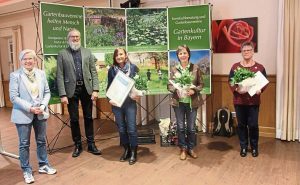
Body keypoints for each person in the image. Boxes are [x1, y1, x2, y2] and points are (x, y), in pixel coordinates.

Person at [9, 49, 57, 184]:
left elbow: (47, 92)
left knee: (41, 141)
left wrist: (42, 106)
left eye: (31, 58)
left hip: (40, 113)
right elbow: (13, 97)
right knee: (24, 144)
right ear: (21, 61)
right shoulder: (15, 75)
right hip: (23, 113)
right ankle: (26, 170)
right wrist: (30, 108)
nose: (28, 61)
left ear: (35, 60)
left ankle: (43, 165)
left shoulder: (41, 74)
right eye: (25, 59)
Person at [56, 28, 101, 157]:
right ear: (68, 38)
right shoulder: (62, 54)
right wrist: (63, 94)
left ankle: (91, 144)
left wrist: (95, 89)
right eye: (72, 37)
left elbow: (93, 72)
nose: (75, 39)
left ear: (80, 38)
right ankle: (78, 145)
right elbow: (60, 75)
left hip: (86, 89)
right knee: (74, 119)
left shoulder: (87, 52)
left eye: (77, 37)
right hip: (71, 91)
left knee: (88, 117)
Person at [228, 41, 267, 158]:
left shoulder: (259, 67)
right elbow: (230, 81)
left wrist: (260, 89)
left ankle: (254, 147)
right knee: (241, 125)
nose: (246, 52)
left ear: (253, 52)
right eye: (244, 50)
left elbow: (264, 82)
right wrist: (236, 89)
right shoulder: (235, 67)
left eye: (248, 50)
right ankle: (243, 147)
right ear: (241, 52)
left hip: (253, 102)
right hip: (239, 101)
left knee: (253, 125)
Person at [167, 45, 204, 160]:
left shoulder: (195, 68)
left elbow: (201, 84)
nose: (183, 55)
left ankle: (191, 148)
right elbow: (169, 85)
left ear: (188, 54)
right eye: (180, 53)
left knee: (191, 128)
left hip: (191, 102)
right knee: (181, 127)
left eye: (184, 53)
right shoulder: (173, 69)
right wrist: (175, 90)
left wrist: (194, 90)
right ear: (178, 56)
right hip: (178, 103)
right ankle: (183, 148)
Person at [107, 48, 139, 165]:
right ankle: (126, 150)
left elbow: (139, 85)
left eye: (121, 54)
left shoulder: (133, 68)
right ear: (115, 57)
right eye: (117, 55)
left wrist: (138, 95)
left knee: (131, 128)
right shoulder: (111, 70)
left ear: (125, 55)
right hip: (117, 104)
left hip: (130, 103)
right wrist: (109, 99)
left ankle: (134, 152)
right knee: (121, 128)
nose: (119, 56)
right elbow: (109, 87)